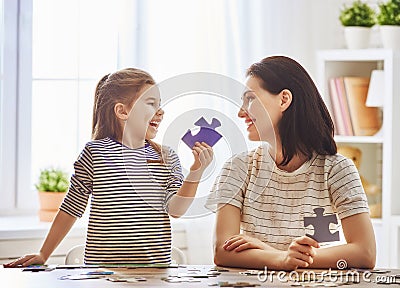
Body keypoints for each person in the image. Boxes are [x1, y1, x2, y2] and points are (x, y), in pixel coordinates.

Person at [5, 68, 213, 267]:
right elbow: (70, 208)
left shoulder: (166, 157)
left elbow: (176, 210)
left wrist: (196, 171)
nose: (161, 111)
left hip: (154, 272)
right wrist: (44, 253)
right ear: (122, 111)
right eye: (151, 103)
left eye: (160, 104)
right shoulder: (95, 153)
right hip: (101, 272)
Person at [205, 56, 376, 270]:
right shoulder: (238, 168)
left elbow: (365, 252)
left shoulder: (336, 169)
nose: (241, 112)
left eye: (250, 99)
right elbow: (222, 252)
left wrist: (279, 255)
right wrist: (282, 259)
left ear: (284, 99)